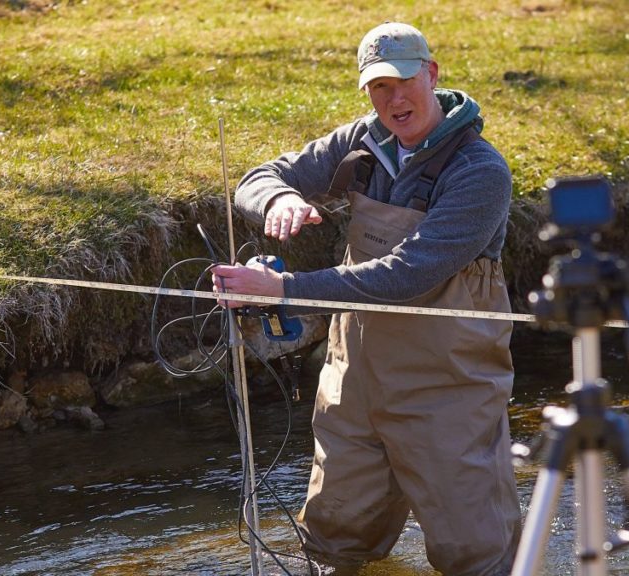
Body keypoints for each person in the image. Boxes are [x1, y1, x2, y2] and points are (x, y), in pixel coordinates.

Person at [212, 21, 521, 576]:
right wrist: (278, 199)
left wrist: (284, 290)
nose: (394, 98)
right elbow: (259, 177)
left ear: (432, 74)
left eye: (405, 81)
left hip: (448, 387)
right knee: (332, 541)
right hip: (355, 379)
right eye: (379, 86)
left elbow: (405, 276)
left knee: (477, 553)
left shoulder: (480, 171)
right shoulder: (361, 142)